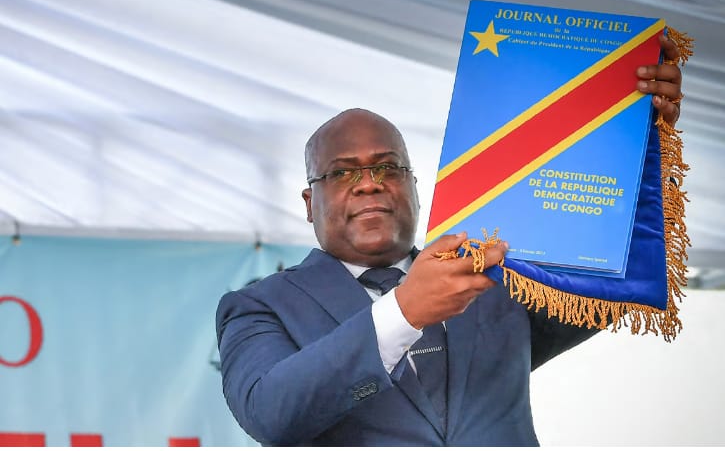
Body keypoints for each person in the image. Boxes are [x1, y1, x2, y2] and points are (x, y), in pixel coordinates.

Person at [216, 35, 684, 446]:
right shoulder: (260, 306)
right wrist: (405, 310)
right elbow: (269, 414)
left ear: (415, 187)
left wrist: (636, 135)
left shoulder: (499, 275)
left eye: (388, 167)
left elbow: (614, 281)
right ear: (308, 202)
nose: (369, 184)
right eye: (341, 173)